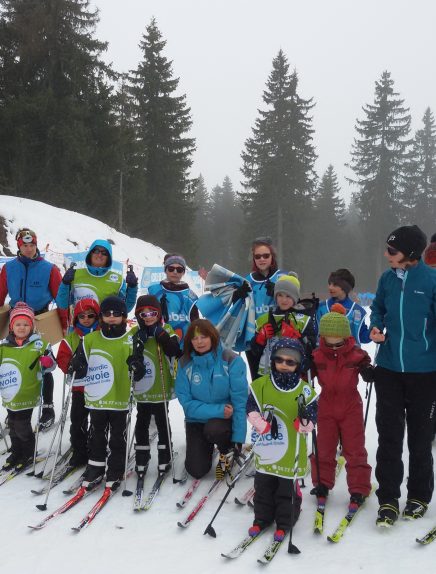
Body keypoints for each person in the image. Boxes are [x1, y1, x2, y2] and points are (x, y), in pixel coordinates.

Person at [370, 225, 436, 526]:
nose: (387, 255)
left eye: (392, 251)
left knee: (421, 439)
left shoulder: (432, 280)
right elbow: (378, 309)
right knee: (389, 436)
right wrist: (376, 327)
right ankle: (388, 498)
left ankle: (419, 496)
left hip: (424, 372)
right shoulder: (386, 279)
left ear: (410, 253)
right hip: (388, 370)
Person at [246, 338, 317, 541]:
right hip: (267, 447)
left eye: (290, 362)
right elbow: (251, 406)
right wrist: (257, 420)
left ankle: (285, 521)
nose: (284, 365)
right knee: (263, 487)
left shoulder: (304, 391)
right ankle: (261, 518)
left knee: (286, 490)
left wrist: (305, 422)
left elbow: (312, 415)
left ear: (298, 364)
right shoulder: (261, 385)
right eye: (280, 360)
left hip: (291, 451)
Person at [0, 228, 66, 430]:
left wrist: (65, 324)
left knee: (43, 363)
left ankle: (47, 407)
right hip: (16, 321)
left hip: (40, 319)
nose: (29, 249)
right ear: (19, 246)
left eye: (32, 245)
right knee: (17, 364)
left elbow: (61, 298)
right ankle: (17, 410)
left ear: (36, 245)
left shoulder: (49, 268)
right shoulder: (9, 268)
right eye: (24, 245)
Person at [310, 304, 373, 514]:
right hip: (326, 405)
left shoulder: (355, 354)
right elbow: (306, 375)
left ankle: (359, 488)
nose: (333, 338)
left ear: (345, 335)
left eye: (337, 335)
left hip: (350, 406)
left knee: (354, 449)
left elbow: (365, 361)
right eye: (328, 334)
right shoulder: (317, 355)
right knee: (324, 447)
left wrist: (367, 370)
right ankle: (321, 483)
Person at [70, 296, 137, 491]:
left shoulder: (131, 339)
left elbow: (138, 366)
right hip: (97, 397)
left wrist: (136, 366)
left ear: (124, 317)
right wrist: (77, 364)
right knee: (96, 434)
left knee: (117, 436)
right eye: (107, 314)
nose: (112, 317)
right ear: (101, 317)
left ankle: (115, 468)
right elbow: (78, 361)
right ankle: (96, 467)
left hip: (119, 396)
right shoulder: (90, 339)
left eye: (116, 314)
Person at [175, 319, 248, 480]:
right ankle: (205, 447)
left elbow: (240, 403)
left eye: (204, 337)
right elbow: (187, 405)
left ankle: (226, 450)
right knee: (196, 470)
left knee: (214, 429)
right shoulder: (185, 363)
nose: (199, 342)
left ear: (213, 337)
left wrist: (238, 439)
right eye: (195, 338)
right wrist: (219, 410)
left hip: (222, 423)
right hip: (198, 420)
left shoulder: (231, 361)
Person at [128, 295, 180, 476]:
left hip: (161, 387)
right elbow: (126, 356)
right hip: (143, 388)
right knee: (141, 421)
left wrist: (163, 337)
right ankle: (142, 455)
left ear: (158, 313)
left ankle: (165, 455)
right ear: (138, 316)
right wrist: (136, 347)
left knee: (162, 421)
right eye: (143, 314)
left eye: (152, 313)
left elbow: (175, 350)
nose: (148, 317)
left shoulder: (166, 328)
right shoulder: (134, 332)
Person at [0, 303, 56, 471]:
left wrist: (47, 362)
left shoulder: (39, 345)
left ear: (32, 326)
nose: (22, 327)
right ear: (11, 326)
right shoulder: (4, 347)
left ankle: (28, 453)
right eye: (18, 324)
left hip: (28, 393)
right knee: (13, 425)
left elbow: (52, 365)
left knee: (22, 426)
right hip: (10, 394)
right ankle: (16, 451)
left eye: (26, 324)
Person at [232, 237, 287, 379]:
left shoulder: (281, 277)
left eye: (266, 256)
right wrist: (237, 296)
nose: (262, 259)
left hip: (279, 336)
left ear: (272, 257)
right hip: (255, 338)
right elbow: (237, 309)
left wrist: (279, 293)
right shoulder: (248, 279)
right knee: (258, 379)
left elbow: (294, 303)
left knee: (279, 378)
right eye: (258, 256)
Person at [56, 298, 100, 468]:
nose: (87, 319)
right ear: (76, 319)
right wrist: (69, 366)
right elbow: (62, 357)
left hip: (100, 387)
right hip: (79, 387)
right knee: (77, 421)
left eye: (90, 315)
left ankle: (96, 448)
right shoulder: (72, 338)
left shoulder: (102, 334)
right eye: (82, 316)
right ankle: (79, 450)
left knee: (98, 422)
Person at [249, 274, 317, 378]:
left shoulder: (304, 320)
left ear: (295, 297)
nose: (283, 300)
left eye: (288, 296)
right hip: (267, 374)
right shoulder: (264, 319)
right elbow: (254, 352)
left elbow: (312, 351)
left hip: (293, 374)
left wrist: (297, 339)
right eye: (280, 295)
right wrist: (259, 339)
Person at [56, 239, 138, 315]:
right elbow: (62, 304)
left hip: (106, 328)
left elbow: (125, 308)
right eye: (96, 251)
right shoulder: (75, 274)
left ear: (108, 257)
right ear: (90, 253)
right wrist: (65, 283)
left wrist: (132, 287)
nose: (99, 255)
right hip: (80, 327)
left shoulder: (118, 279)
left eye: (104, 253)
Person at [146, 253, 199, 344]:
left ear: (183, 272)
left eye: (179, 269)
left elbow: (196, 324)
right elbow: (143, 314)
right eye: (171, 269)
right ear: (165, 270)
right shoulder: (153, 290)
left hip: (181, 344)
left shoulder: (190, 296)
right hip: (155, 341)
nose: (175, 272)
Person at [317, 268, 371, 346]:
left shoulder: (357, 311)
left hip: (350, 357)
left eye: (335, 285)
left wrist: (371, 335)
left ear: (345, 287)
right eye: (329, 284)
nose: (330, 287)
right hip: (326, 356)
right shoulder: (321, 308)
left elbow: (361, 336)